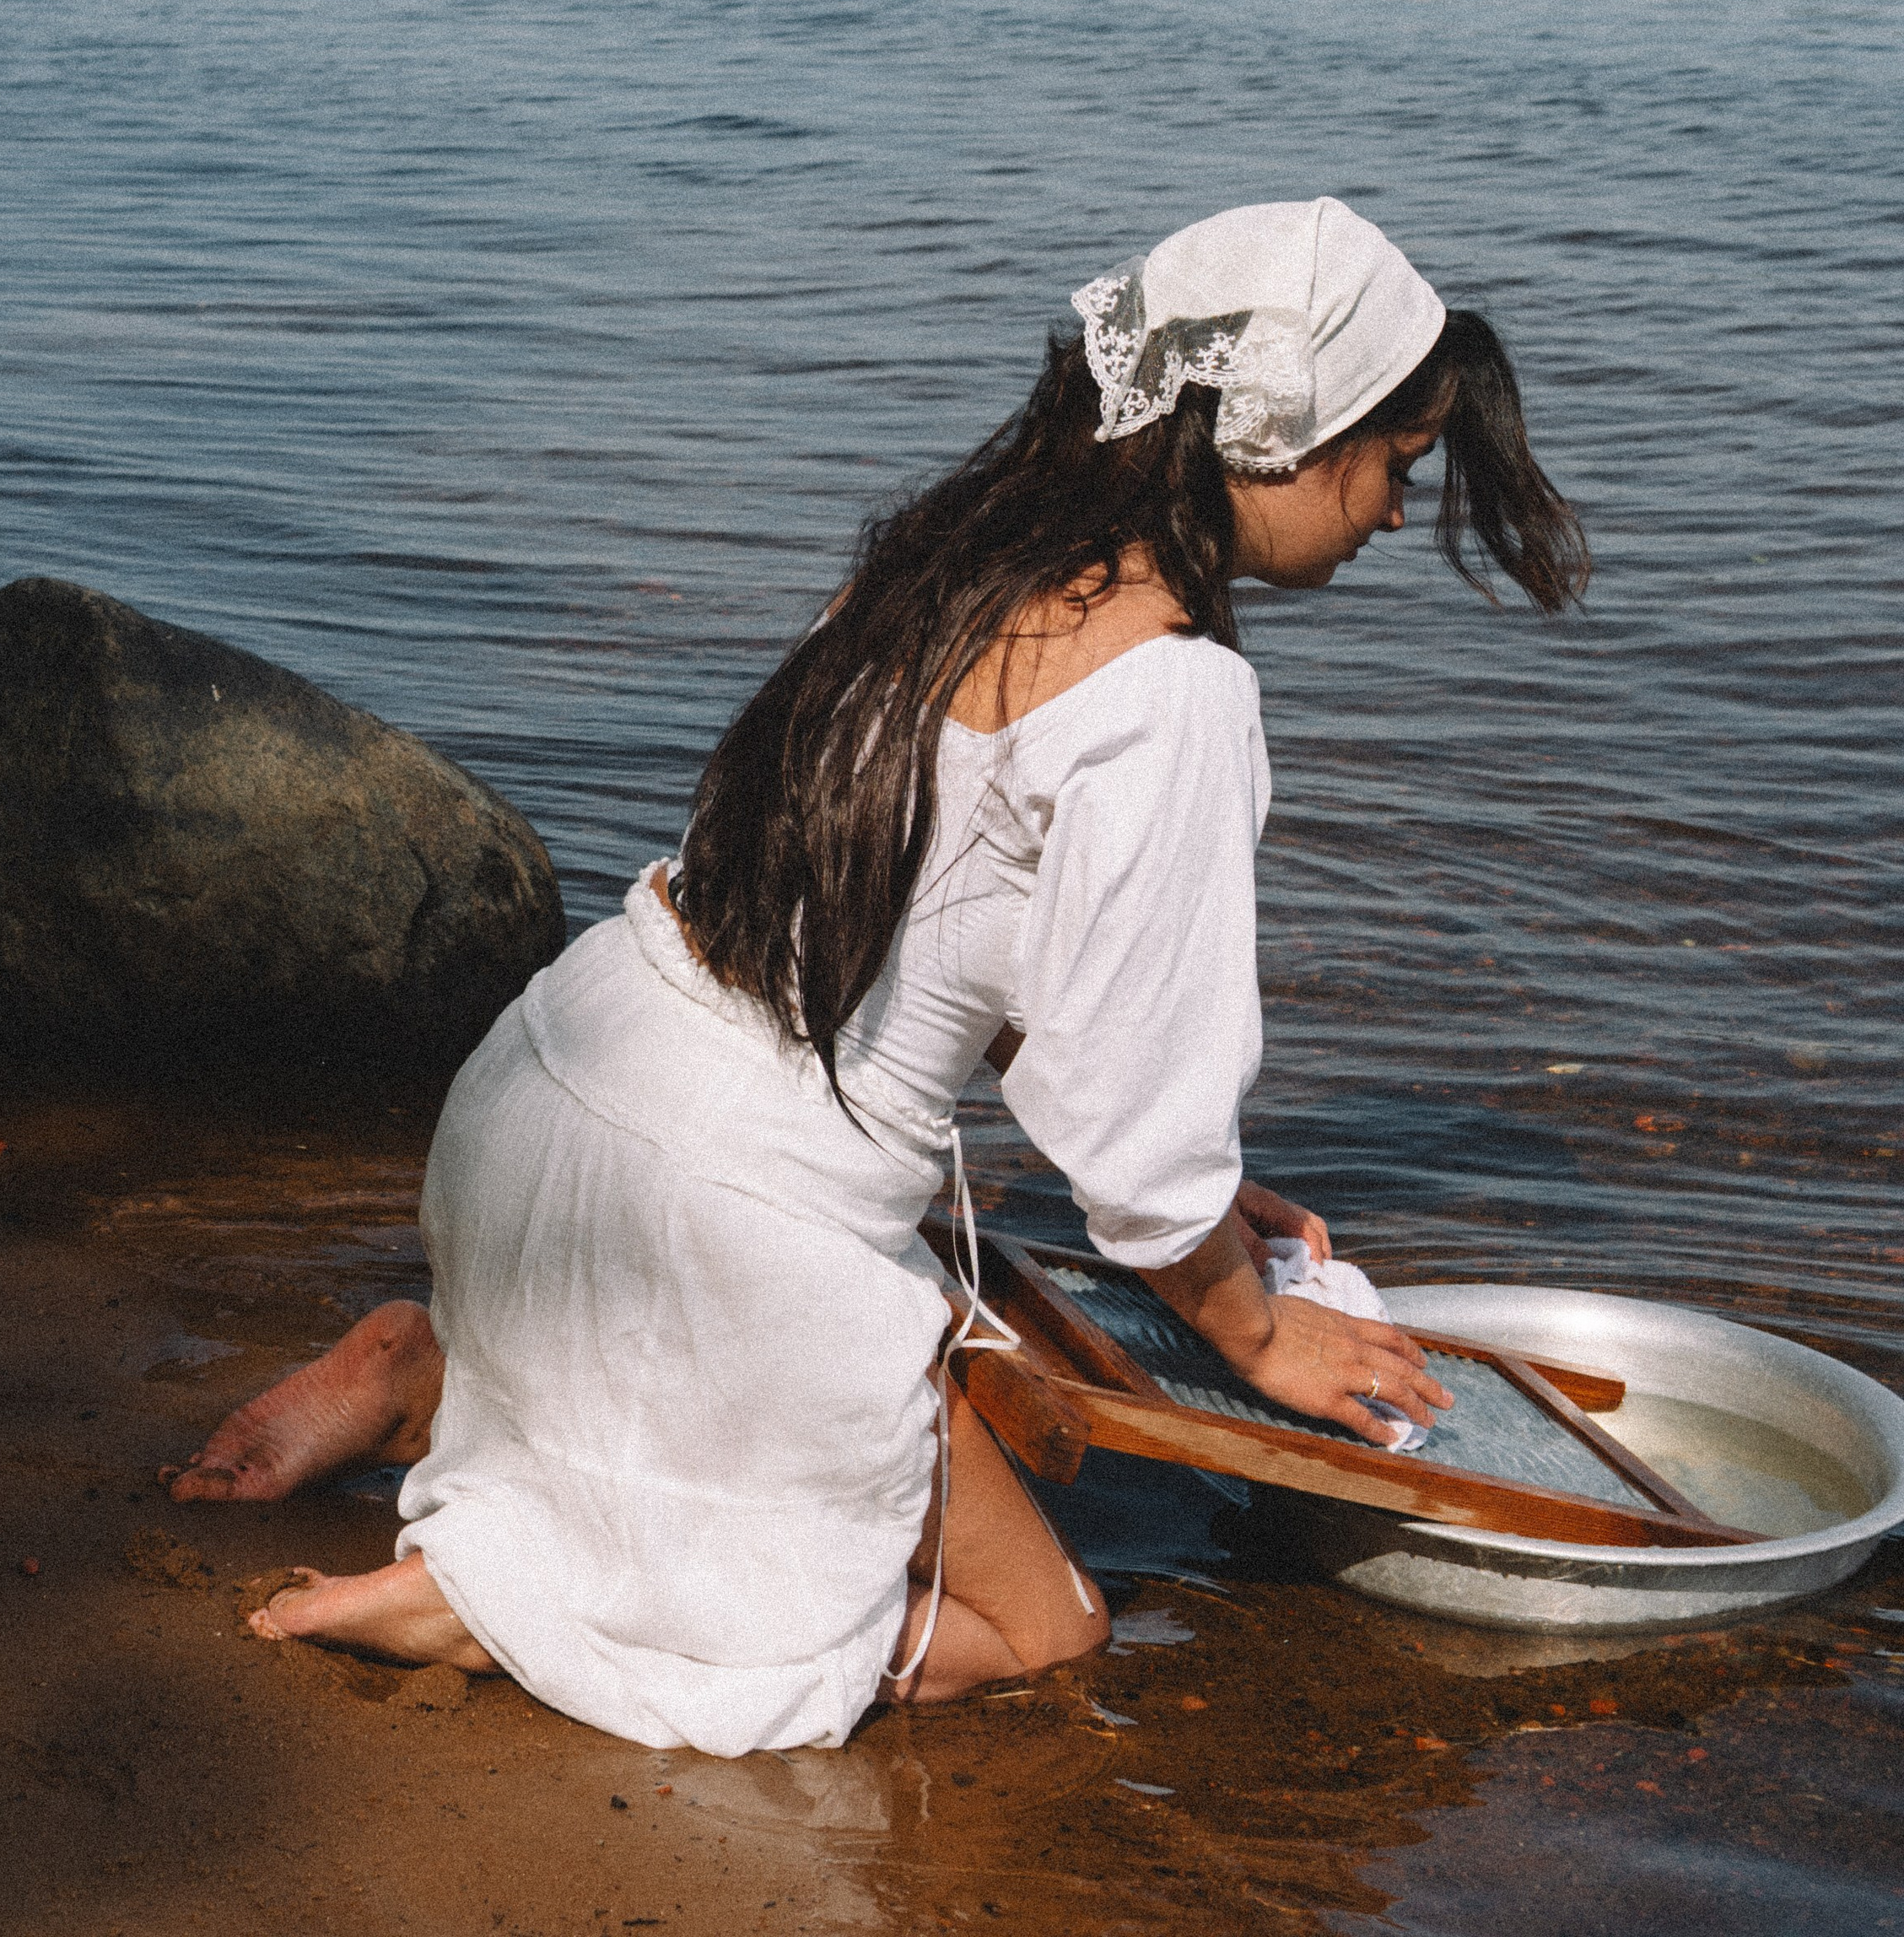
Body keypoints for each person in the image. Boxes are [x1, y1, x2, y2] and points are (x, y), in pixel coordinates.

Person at [168, 197, 1587, 1755]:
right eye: (1400, 465)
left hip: (535, 1099)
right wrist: (1256, 1331)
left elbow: (937, 919)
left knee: (864, 1409)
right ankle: (504, 1597)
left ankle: (437, 1361)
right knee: (1044, 1633)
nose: (1395, 515)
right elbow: (1125, 1120)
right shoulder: (1175, 701)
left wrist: (1197, 1202)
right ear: (1293, 434)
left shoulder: (954, 562)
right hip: (719, 1234)